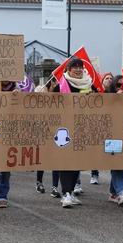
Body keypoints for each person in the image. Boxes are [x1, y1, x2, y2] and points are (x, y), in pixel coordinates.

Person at [53, 57, 92, 208]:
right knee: (66, 161)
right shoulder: (61, 84)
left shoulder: (89, 84)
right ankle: (66, 194)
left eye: (80, 66)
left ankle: (71, 192)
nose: (77, 69)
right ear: (68, 70)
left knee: (77, 161)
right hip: (64, 128)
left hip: (82, 127)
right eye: (74, 67)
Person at [34, 81, 61, 198]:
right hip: (41, 134)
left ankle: (54, 187)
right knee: (42, 160)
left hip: (55, 134)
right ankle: (39, 182)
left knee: (56, 161)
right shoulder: (34, 103)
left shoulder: (55, 101)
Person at [107, 74, 123, 206]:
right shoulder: (106, 98)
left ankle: (113, 193)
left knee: (120, 163)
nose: (122, 88)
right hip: (111, 136)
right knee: (118, 163)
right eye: (118, 85)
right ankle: (121, 193)